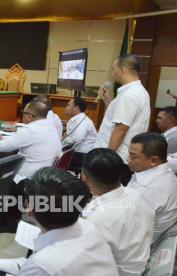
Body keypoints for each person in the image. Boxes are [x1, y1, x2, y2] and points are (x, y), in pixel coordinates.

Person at [0, 167, 119, 276]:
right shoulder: (88, 227)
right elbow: (32, 267)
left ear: (29, 209)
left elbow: (39, 267)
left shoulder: (44, 263)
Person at [81, 148, 154, 275]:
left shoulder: (97, 220)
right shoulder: (136, 194)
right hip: (137, 265)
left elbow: (85, 261)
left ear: (84, 177)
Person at [96, 54, 150, 185]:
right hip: (121, 158)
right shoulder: (138, 91)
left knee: (109, 197)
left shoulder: (129, 95)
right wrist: (108, 102)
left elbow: (121, 129)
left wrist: (107, 158)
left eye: (114, 69)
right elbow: (122, 118)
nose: (112, 73)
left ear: (123, 70)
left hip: (117, 160)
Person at [0, 100, 61, 185]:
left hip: (27, 178)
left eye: (23, 112)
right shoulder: (50, 126)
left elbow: (3, 147)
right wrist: (2, 137)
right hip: (46, 175)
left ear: (29, 116)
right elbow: (23, 140)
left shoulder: (30, 130)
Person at [127, 132, 177, 242]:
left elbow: (127, 227)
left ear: (154, 160)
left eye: (133, 157)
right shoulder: (164, 172)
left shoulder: (149, 188)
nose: (128, 160)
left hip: (135, 245)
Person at [62, 97, 97, 170]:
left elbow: (77, 139)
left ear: (76, 108)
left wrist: (61, 145)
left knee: (56, 158)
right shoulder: (76, 119)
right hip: (77, 152)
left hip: (83, 156)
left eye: (68, 105)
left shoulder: (83, 121)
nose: (65, 107)